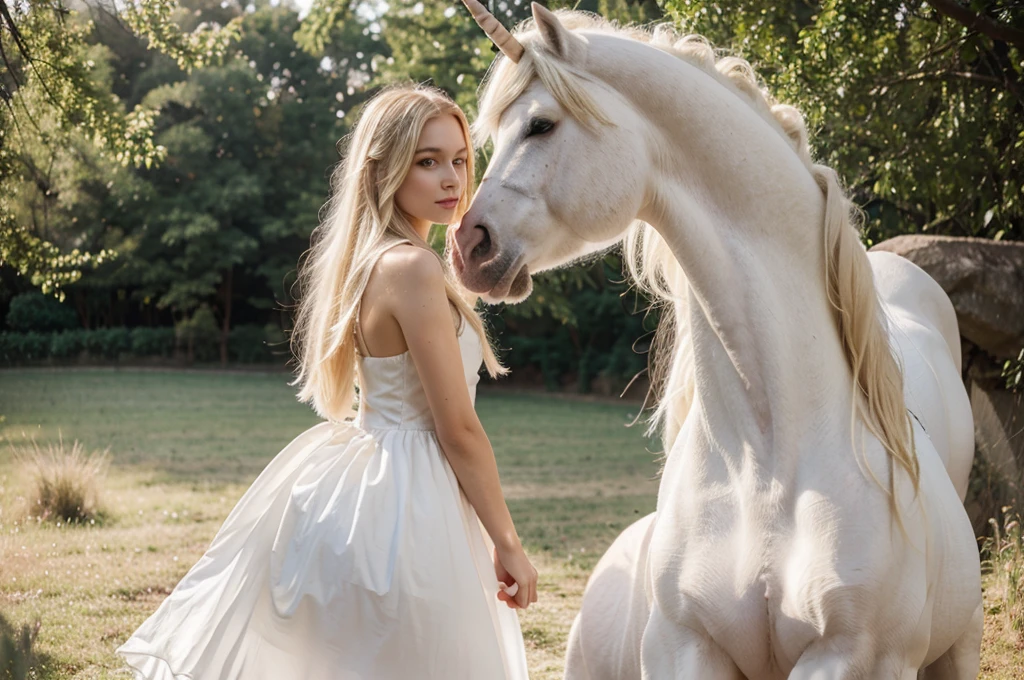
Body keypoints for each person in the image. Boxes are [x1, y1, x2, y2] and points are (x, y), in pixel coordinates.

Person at [116, 83, 534, 680]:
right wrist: (507, 541)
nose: (452, 178)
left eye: (460, 159)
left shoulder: (377, 260)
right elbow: (458, 428)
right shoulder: (411, 266)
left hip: (373, 479)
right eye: (428, 160)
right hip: (411, 497)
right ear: (386, 168)